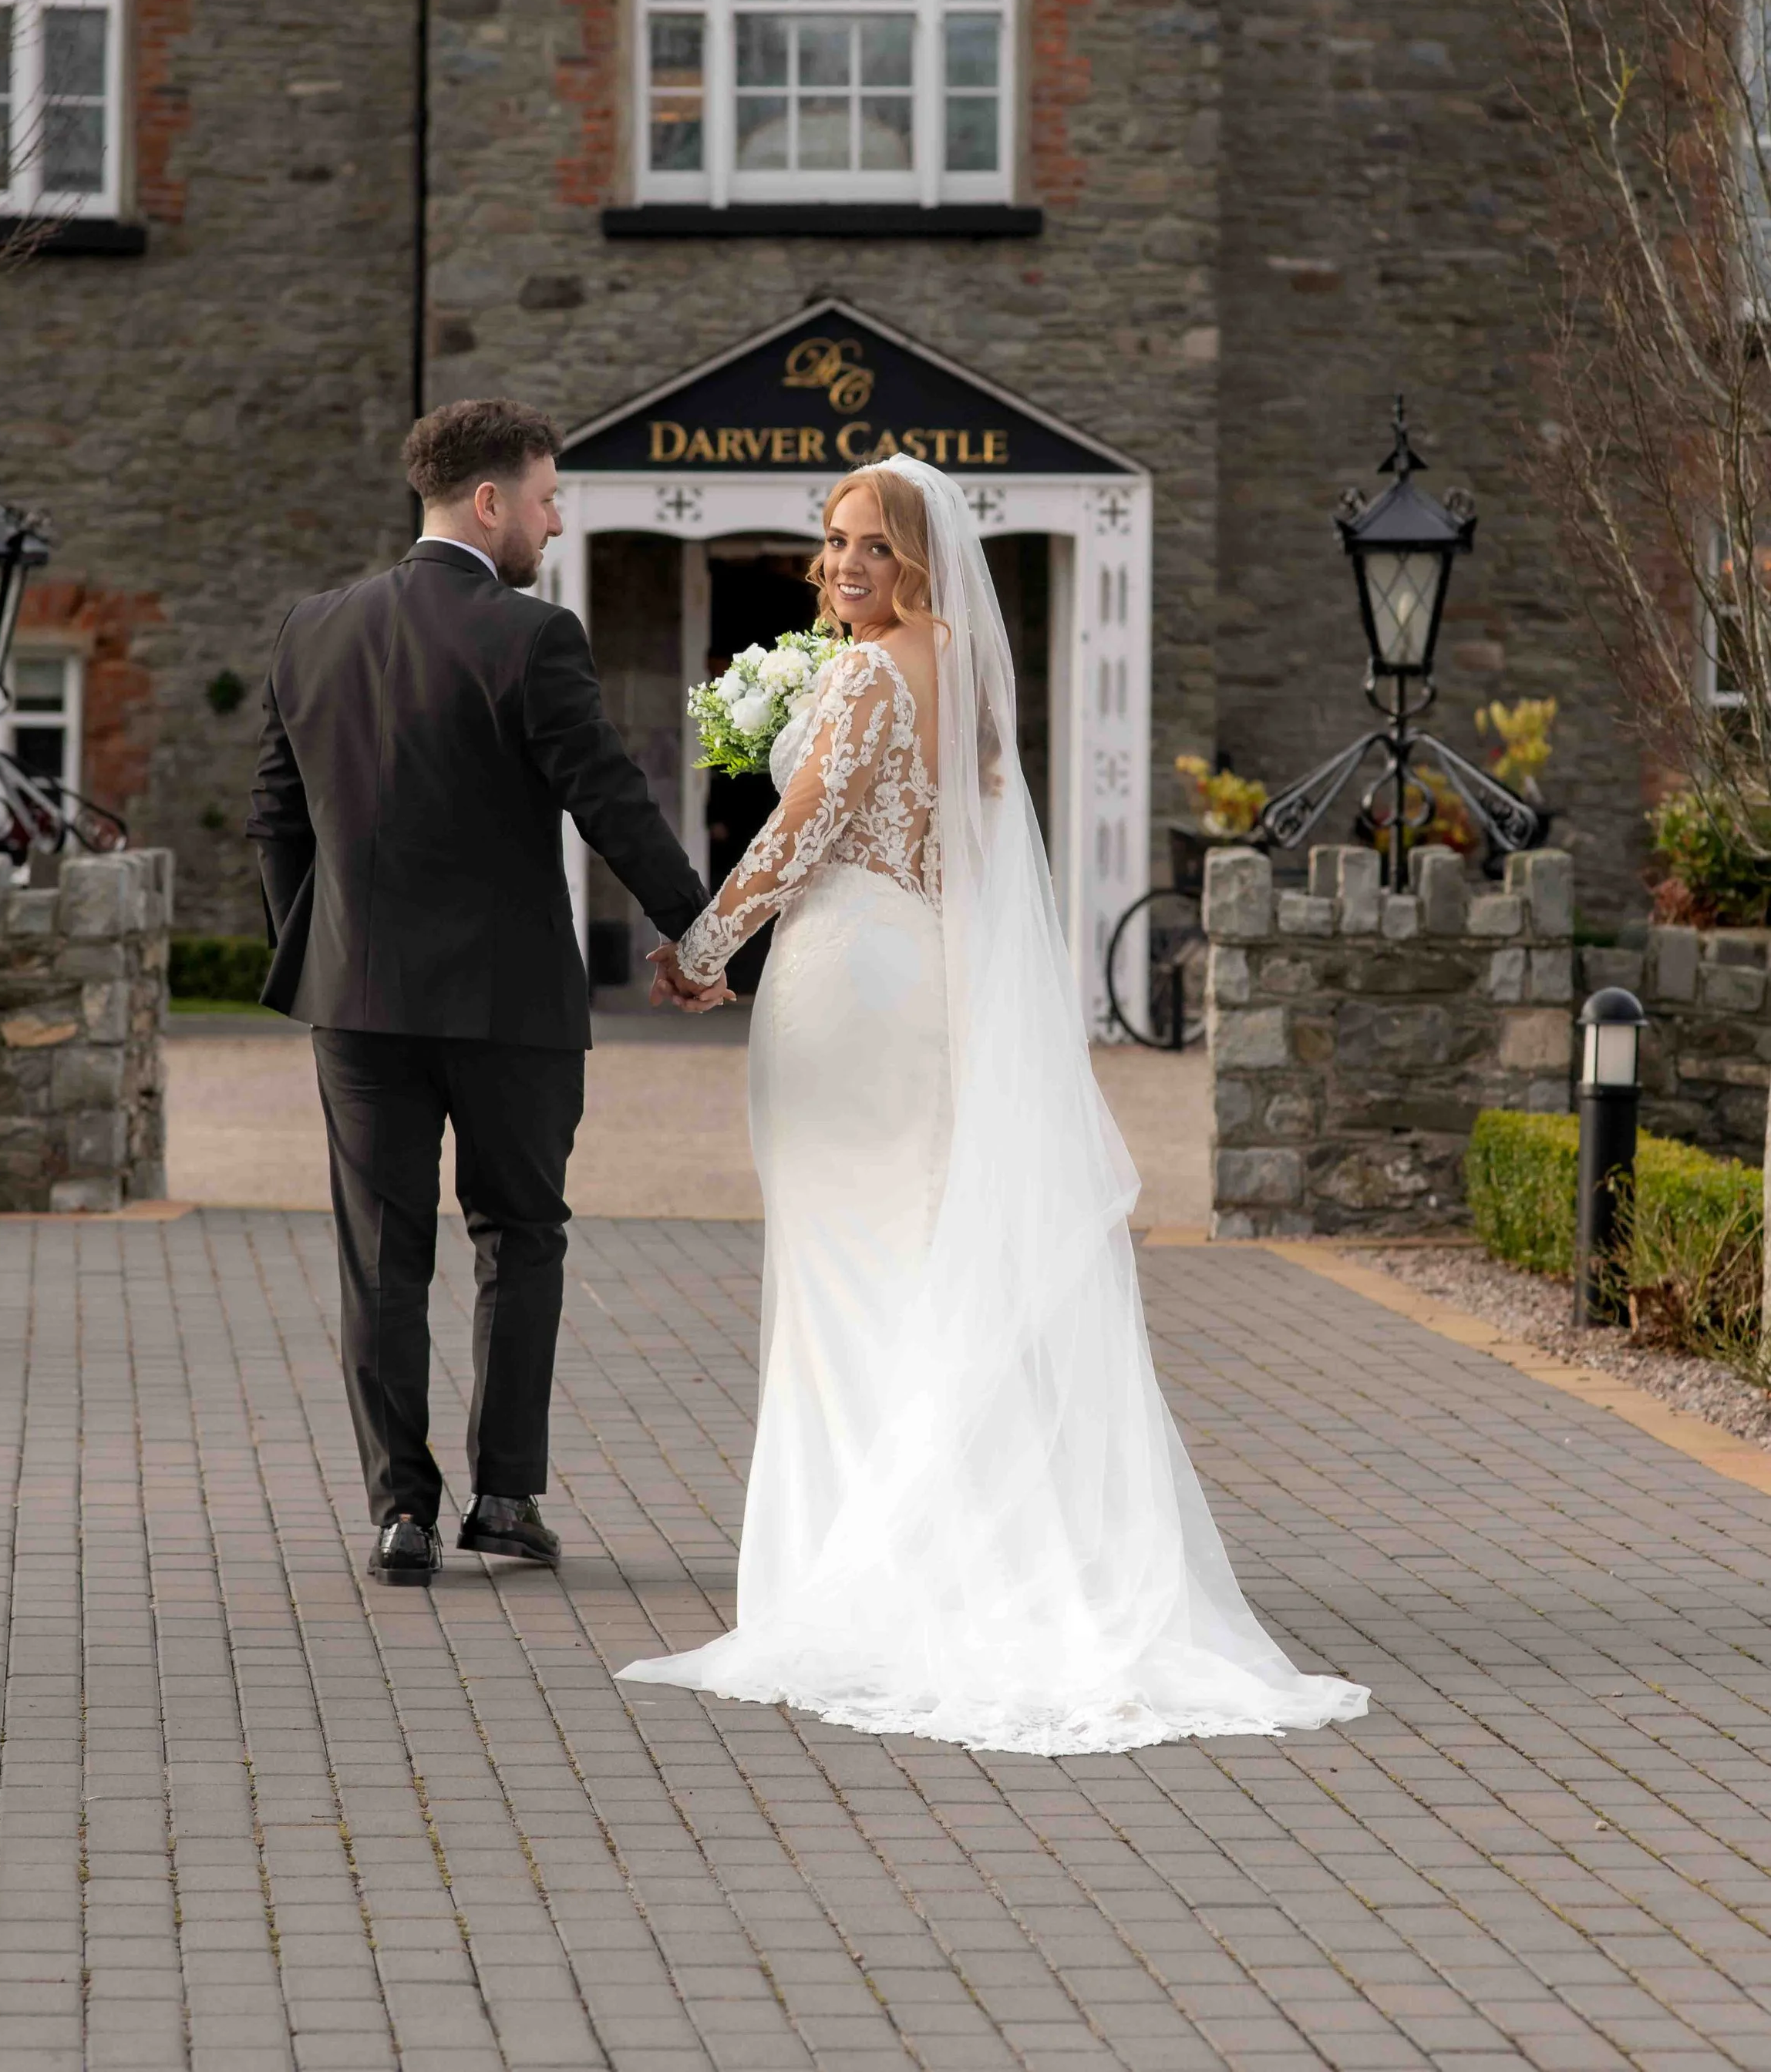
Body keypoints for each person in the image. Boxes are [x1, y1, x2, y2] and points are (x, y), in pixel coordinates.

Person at [625, 456, 1369, 1756]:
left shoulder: (868, 672)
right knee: (910, 1257)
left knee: (849, 1272)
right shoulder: (959, 660)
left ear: (920, 555)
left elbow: (802, 827)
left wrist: (700, 948)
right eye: (836, 541)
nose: (847, 565)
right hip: (918, 970)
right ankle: (945, 1538)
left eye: (875, 544)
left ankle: (865, 1565)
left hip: (848, 980)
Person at [246, 399, 722, 1586]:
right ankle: (506, 1499)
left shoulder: (311, 628)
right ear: (491, 500)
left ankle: (401, 1515)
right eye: (548, 500)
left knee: (381, 1254)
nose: (555, 524)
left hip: (358, 1001)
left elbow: (274, 818)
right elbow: (610, 799)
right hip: (511, 1006)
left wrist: (324, 948)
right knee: (520, 1236)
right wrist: (709, 936)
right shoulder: (533, 636)